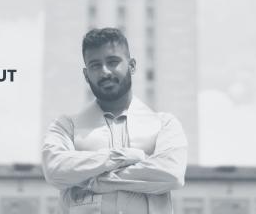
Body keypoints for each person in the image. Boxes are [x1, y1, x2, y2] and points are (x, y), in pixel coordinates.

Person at [42, 27, 188, 214]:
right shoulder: (65, 127)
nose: (105, 72)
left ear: (132, 66)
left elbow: (171, 174)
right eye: (95, 65)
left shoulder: (164, 124)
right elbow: (56, 172)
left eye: (113, 62)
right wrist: (122, 157)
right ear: (86, 75)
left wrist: (93, 179)